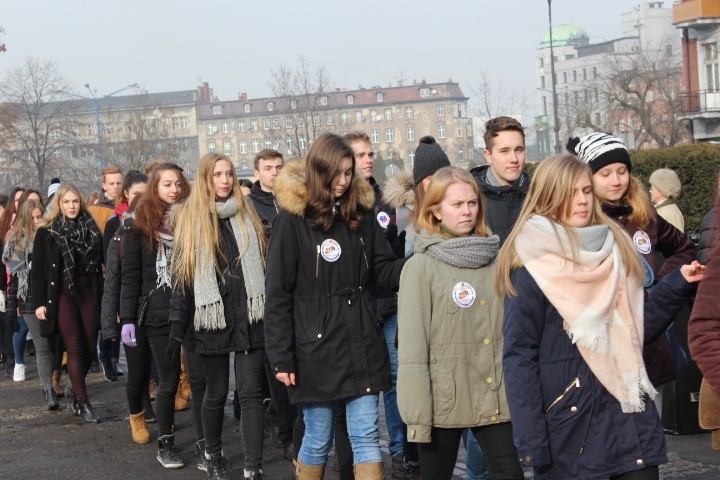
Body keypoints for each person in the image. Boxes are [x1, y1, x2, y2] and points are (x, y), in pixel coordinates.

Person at [497, 154, 704, 480]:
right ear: (548, 197)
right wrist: (532, 442)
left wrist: (677, 284)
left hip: (628, 420)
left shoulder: (615, 248)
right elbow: (519, 359)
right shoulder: (529, 267)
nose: (581, 200)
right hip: (572, 431)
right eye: (570, 193)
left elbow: (638, 327)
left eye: (585, 191)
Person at [264, 133, 407, 480]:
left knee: (367, 436)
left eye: (348, 173)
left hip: (361, 340)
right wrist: (281, 357)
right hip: (315, 350)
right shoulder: (290, 222)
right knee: (318, 437)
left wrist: (421, 262)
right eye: (336, 174)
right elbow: (278, 295)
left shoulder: (362, 215)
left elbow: (384, 270)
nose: (343, 182)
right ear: (318, 172)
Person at [397, 166, 523, 480]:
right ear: (435, 211)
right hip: (443, 402)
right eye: (457, 204)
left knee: (511, 473)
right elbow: (412, 352)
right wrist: (417, 417)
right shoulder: (420, 268)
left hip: (493, 394)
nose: (467, 211)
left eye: (472, 203)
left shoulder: (496, 259)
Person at [567, 133, 695, 413]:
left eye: (622, 171)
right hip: (602, 354)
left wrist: (663, 286)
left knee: (651, 438)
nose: (616, 180)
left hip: (649, 346)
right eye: (605, 173)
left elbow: (683, 247)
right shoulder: (578, 221)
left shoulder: (643, 216)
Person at [168, 152, 268, 480]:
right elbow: (182, 280)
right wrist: (176, 331)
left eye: (228, 174)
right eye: (217, 175)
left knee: (251, 393)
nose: (224, 180)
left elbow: (265, 267)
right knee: (216, 391)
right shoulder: (190, 218)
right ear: (205, 179)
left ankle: (253, 466)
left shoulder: (247, 213)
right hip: (211, 320)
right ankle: (212, 452)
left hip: (251, 315)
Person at [119, 163, 189, 464]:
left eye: (177, 184)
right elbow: (130, 276)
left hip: (192, 306)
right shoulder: (139, 228)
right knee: (168, 376)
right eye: (166, 184)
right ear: (155, 189)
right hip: (158, 311)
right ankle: (166, 441)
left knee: (195, 379)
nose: (174, 189)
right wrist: (128, 318)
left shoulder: (191, 220)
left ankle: (206, 443)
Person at [30, 183, 104, 424]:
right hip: (61, 294)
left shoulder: (91, 228)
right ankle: (84, 402)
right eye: (66, 202)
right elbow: (38, 272)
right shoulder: (47, 231)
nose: (71, 206)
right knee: (74, 348)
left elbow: (103, 262)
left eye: (75, 202)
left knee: (91, 347)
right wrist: (39, 303)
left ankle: (76, 391)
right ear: (58, 205)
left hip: (89, 291)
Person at [4, 200, 50, 391]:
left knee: (52, 342)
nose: (36, 221)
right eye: (32, 218)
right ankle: (48, 390)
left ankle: (52, 381)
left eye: (39, 217)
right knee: (41, 343)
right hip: (28, 298)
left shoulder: (50, 237)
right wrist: (10, 308)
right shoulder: (17, 242)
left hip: (50, 294)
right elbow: (15, 278)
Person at [470, 116, 530, 243]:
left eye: (519, 150)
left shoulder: (540, 196)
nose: (514, 158)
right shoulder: (471, 200)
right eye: (504, 151)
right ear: (488, 156)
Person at [649, 168, 684, 232]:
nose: (650, 191)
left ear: (662, 190)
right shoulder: (659, 210)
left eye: (652, 189)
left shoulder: (671, 214)